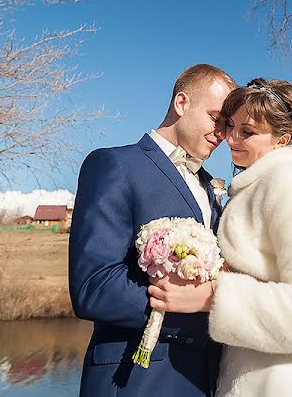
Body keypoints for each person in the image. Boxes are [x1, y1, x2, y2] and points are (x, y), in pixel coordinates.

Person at [149, 78, 292, 396]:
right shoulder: (253, 190)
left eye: (247, 132)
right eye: (231, 126)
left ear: (282, 139)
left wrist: (213, 297)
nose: (231, 139)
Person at [69, 63, 237, 397]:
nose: (223, 133)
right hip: (135, 379)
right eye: (216, 118)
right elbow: (93, 286)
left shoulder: (212, 188)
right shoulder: (115, 165)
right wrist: (195, 306)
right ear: (182, 103)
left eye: (228, 125)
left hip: (205, 380)